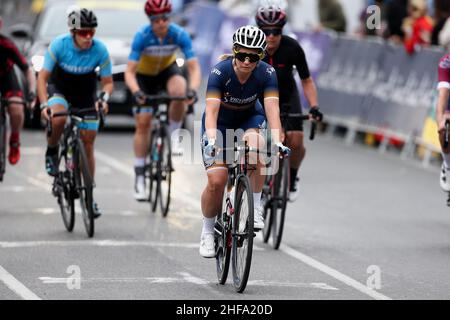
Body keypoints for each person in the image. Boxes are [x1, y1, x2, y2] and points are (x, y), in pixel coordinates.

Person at [198, 25, 290, 258]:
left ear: (261, 56)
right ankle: (208, 232)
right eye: (242, 55)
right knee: (217, 181)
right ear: (234, 51)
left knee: (257, 147)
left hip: (250, 117)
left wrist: (277, 139)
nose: (247, 61)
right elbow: (211, 112)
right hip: (219, 123)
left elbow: (272, 109)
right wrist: (211, 140)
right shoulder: (220, 72)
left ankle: (255, 207)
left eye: (253, 56)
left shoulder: (267, 73)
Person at [37, 7, 113, 218]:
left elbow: (107, 83)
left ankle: (89, 197)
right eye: (83, 33)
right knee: (59, 118)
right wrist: (44, 106)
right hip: (59, 88)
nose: (88, 37)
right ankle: (52, 150)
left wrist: (103, 99)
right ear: (73, 32)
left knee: (88, 143)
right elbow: (42, 78)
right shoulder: (59, 46)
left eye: (92, 32)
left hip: (85, 93)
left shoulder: (100, 50)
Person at [125, 0, 201, 201]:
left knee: (180, 90)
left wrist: (192, 90)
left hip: (167, 71)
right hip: (144, 77)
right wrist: (136, 91)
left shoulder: (178, 34)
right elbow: (130, 72)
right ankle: (140, 175)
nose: (161, 23)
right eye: (157, 20)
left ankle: (174, 134)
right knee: (144, 123)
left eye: (165, 18)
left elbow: (194, 67)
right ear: (150, 21)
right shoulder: (142, 36)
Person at [255, 5, 323, 201]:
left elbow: (306, 81)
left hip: (286, 95)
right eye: (266, 31)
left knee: (296, 139)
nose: (271, 36)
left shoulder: (292, 48)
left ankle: (292, 178)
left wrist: (314, 106)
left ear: (282, 30)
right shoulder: (253, 48)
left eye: (276, 31)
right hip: (260, 97)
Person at [0, 15, 37, 165]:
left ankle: (14, 140)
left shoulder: (6, 44)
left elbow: (28, 70)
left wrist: (31, 92)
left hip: (6, 78)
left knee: (16, 107)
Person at [437, 53, 450, 195]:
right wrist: (441, 122)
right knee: (446, 125)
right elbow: (442, 96)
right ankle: (448, 165)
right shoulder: (446, 62)